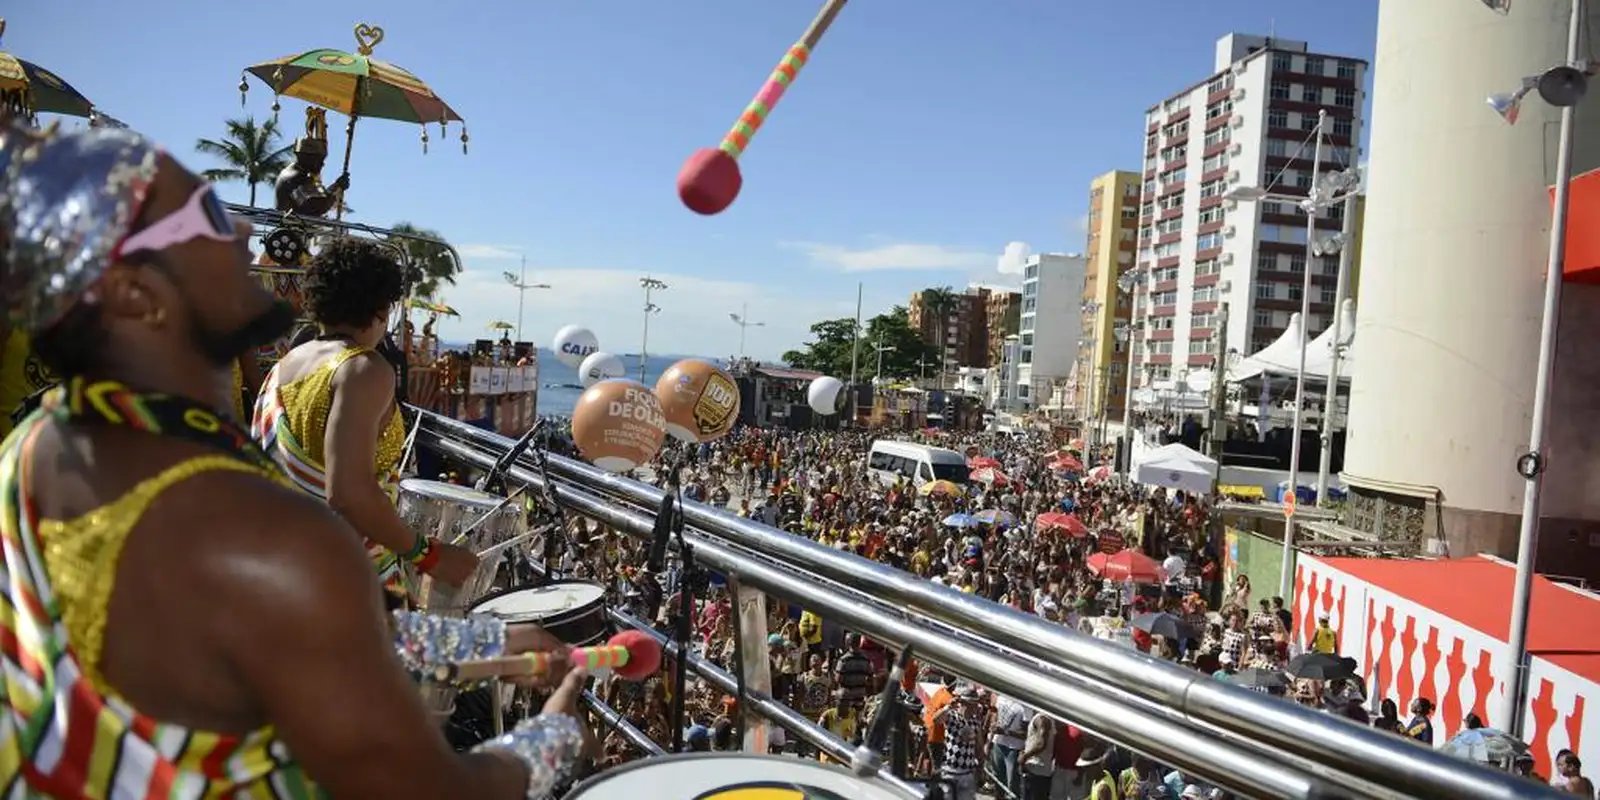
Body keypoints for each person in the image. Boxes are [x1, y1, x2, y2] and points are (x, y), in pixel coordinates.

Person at [0, 120, 588, 797]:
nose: (247, 233)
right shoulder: (269, 536)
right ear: (136, 295)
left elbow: (282, 633)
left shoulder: (42, 442)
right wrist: (554, 737)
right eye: (210, 216)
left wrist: (491, 646)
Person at [253, 238, 477, 599]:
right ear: (380, 309)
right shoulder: (362, 369)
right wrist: (430, 555)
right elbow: (347, 493)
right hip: (338, 578)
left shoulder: (284, 366)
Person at [933, 685, 984, 800]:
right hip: (949, 771)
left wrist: (980, 771)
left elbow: (979, 748)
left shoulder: (975, 722)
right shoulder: (951, 716)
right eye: (973, 703)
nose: (975, 707)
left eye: (976, 704)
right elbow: (936, 720)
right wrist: (947, 707)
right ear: (965, 703)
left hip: (967, 773)